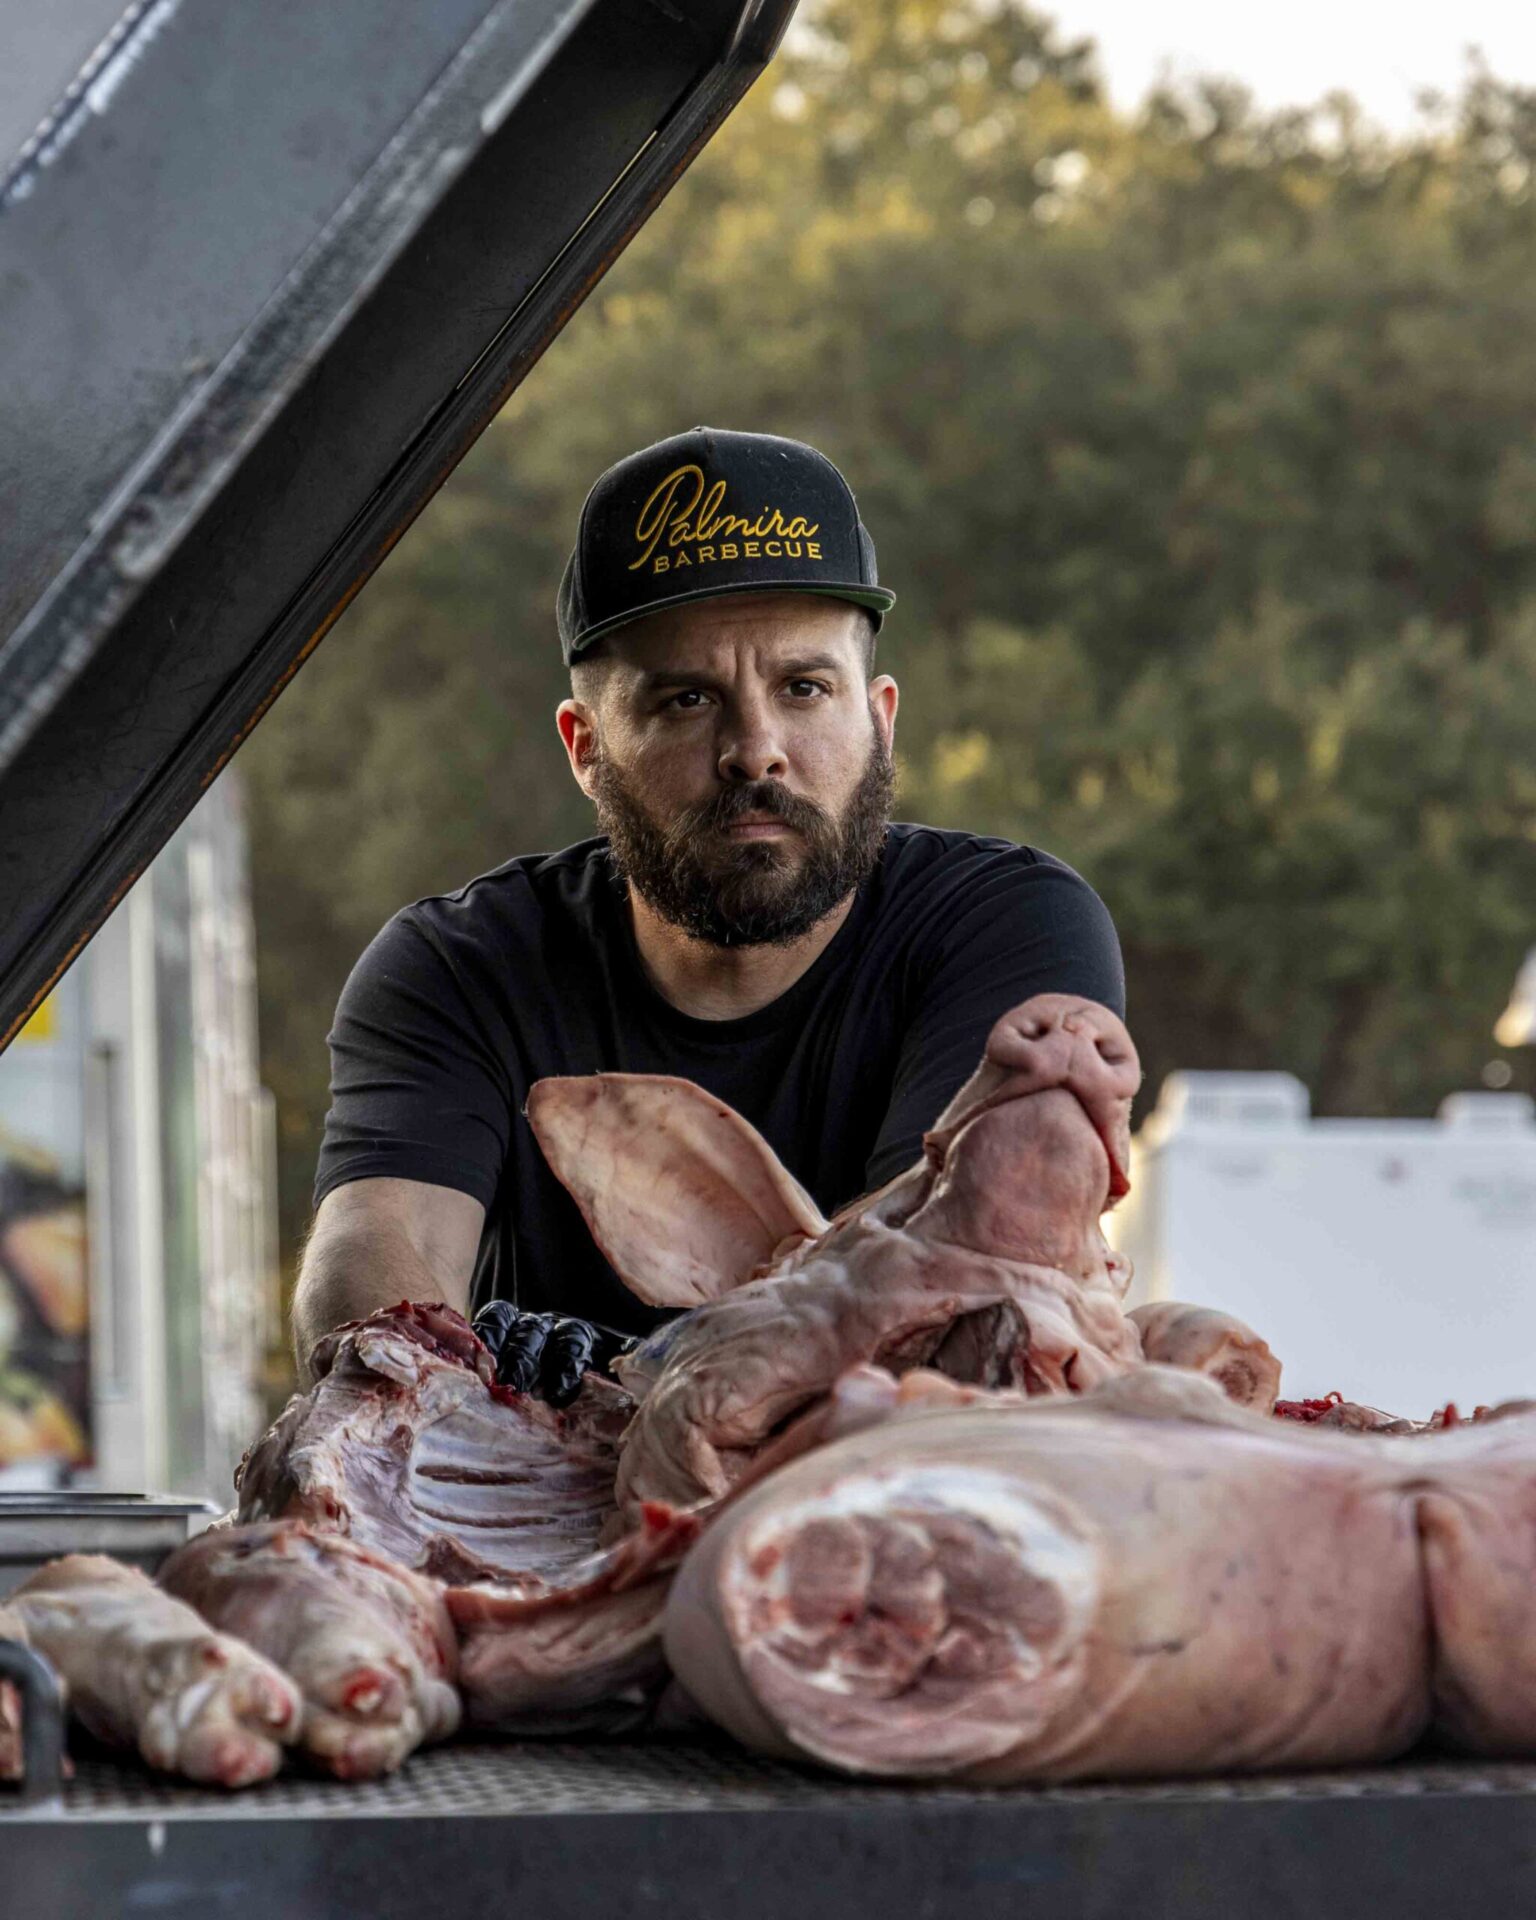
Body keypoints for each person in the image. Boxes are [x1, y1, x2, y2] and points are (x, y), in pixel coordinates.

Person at [291, 426, 1124, 1399]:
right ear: (585, 746)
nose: (756, 750)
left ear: (881, 718)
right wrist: (412, 1360)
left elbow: (943, 1281)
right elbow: (374, 1261)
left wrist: (609, 1379)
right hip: (541, 1532)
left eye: (805, 688)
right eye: (688, 701)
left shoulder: (1011, 926)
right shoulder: (458, 966)